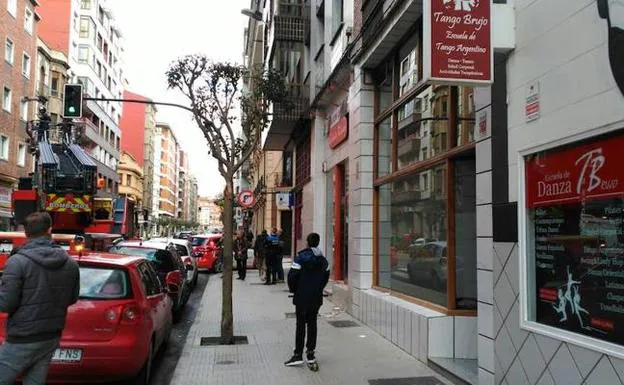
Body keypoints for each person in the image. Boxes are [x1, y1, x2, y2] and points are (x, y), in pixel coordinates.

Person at [0, 212, 80, 384]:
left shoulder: (17, 262)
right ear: (49, 230)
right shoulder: (70, 263)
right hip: (50, 335)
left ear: (26, 232)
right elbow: (72, 298)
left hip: (22, 337)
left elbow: (6, 303)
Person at [284, 233, 330, 367]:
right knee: (312, 323)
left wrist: (295, 290)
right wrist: (318, 289)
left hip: (301, 297)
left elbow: (292, 276)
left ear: (307, 243)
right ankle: (310, 353)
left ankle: (298, 354)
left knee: (300, 324)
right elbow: (325, 278)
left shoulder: (300, 258)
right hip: (316, 297)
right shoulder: (323, 261)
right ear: (318, 242)